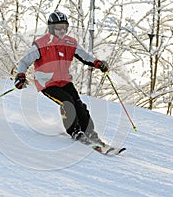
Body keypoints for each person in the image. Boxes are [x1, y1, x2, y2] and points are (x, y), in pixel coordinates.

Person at [14, 11, 109, 145]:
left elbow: (85, 57)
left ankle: (90, 132)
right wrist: (21, 75)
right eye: (58, 27)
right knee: (67, 102)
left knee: (78, 104)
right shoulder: (41, 44)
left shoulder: (70, 42)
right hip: (47, 83)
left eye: (64, 27)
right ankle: (75, 131)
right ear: (51, 27)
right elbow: (24, 61)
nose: (62, 30)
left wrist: (98, 63)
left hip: (64, 81)